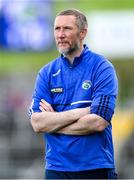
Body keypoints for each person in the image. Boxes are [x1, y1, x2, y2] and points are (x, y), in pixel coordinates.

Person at [28, 9, 118, 179]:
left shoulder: (102, 68)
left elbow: (98, 123)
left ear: (83, 33)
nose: (60, 35)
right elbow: (38, 123)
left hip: (95, 167)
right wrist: (81, 112)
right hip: (56, 168)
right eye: (57, 29)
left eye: (67, 29)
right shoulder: (46, 73)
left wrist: (54, 122)